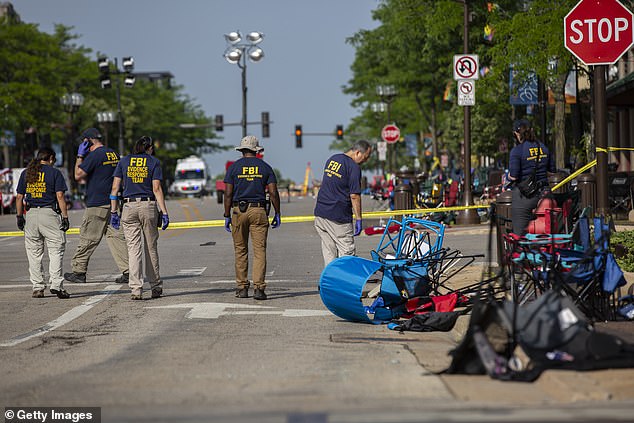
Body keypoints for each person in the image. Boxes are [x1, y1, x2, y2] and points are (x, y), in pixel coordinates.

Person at [64, 128, 129, 284]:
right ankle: (128, 271)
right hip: (113, 203)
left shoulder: (94, 155)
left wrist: (80, 156)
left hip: (97, 203)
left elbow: (78, 175)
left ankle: (79, 272)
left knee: (88, 237)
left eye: (83, 142)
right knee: (116, 238)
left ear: (87, 141)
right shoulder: (112, 153)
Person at [109, 136, 169, 300]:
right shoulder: (153, 162)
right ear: (149, 148)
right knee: (150, 248)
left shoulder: (124, 162)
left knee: (133, 249)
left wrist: (113, 212)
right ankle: (155, 286)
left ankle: (136, 289)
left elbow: (115, 188)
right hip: (147, 206)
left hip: (128, 207)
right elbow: (156, 189)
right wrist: (164, 212)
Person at [223, 135, 281, 301]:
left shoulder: (233, 168)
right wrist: (277, 212)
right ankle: (259, 289)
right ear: (257, 151)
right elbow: (273, 192)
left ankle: (241, 288)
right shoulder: (265, 167)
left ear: (241, 150)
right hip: (258, 211)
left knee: (240, 250)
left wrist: (227, 215)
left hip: (238, 211)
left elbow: (227, 193)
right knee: (259, 251)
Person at [15, 147, 71, 299]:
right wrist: (65, 217)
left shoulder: (26, 172)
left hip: (31, 214)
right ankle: (56, 285)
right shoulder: (54, 173)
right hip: (49, 214)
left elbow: (19, 197)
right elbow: (59, 196)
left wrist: (19, 216)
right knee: (56, 249)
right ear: (51, 158)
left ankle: (38, 287)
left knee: (34, 253)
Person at [314, 140, 372, 266]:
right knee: (347, 252)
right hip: (338, 217)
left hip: (321, 213)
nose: (365, 161)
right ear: (358, 153)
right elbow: (355, 196)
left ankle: (330, 282)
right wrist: (359, 219)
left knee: (329, 251)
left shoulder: (333, 159)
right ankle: (344, 283)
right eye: (365, 157)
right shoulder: (353, 167)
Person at [508, 119, 556, 235]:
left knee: (519, 233)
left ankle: (520, 248)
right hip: (545, 194)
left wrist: (508, 176)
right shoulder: (543, 147)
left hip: (526, 196)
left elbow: (514, 176)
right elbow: (552, 171)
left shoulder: (517, 151)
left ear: (517, 134)